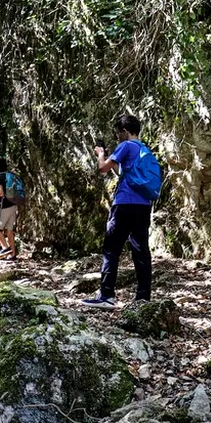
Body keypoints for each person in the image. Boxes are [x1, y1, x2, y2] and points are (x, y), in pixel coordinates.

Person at [82, 114, 155, 309]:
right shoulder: (144, 149)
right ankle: (143, 298)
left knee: (111, 249)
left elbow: (102, 169)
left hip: (124, 205)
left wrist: (100, 154)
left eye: (117, 134)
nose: (117, 138)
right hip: (143, 205)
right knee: (141, 250)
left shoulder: (125, 146)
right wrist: (111, 160)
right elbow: (121, 173)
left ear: (125, 131)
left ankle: (106, 295)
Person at [0, 156, 22, 260]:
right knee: (9, 230)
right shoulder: (10, 175)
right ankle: (13, 255)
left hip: (4, 206)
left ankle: (5, 247)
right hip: (14, 205)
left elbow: (1, 192)